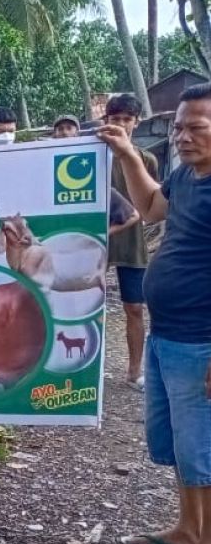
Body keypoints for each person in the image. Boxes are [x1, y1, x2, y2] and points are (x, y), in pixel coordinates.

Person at [98, 83, 211, 544]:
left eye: (197, 128)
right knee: (179, 445)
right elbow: (150, 206)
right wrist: (126, 153)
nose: (184, 137)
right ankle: (188, 531)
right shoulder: (186, 175)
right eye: (179, 127)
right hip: (169, 335)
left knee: (204, 447)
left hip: (201, 339)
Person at [102, 94, 160, 390]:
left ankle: (134, 371)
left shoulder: (146, 159)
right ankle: (87, 371)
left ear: (136, 123)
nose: (121, 124)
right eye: (115, 119)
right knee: (84, 304)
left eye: (127, 119)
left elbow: (151, 206)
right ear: (106, 121)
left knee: (135, 308)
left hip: (132, 242)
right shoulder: (90, 155)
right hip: (95, 242)